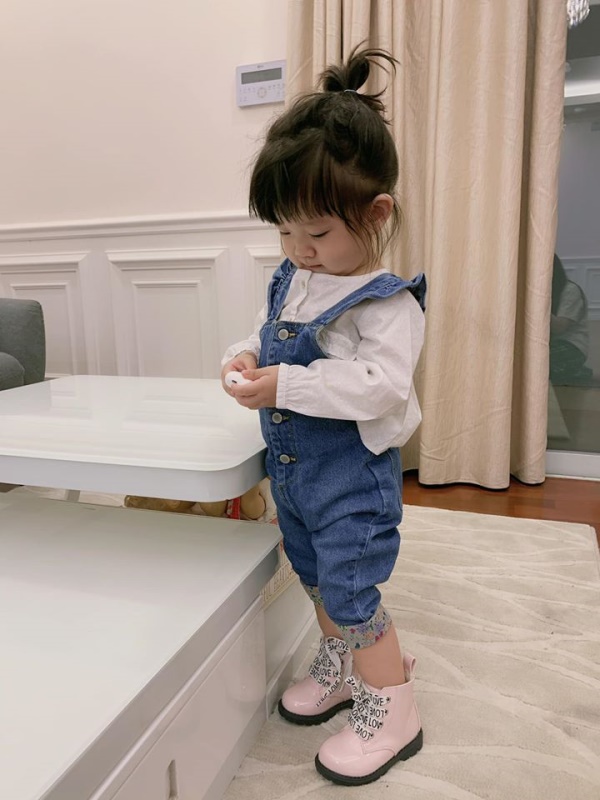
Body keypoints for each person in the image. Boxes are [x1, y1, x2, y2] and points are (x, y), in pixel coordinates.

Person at [221, 46, 426, 786]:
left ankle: (394, 709)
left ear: (376, 214)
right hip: (297, 477)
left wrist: (287, 385)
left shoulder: (386, 302)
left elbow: (380, 387)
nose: (299, 252)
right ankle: (341, 665)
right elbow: (269, 331)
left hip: (351, 483)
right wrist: (245, 356)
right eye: (285, 233)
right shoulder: (297, 277)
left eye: (316, 235)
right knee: (313, 576)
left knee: (352, 590)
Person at [550, 254, 592, 385]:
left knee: (536, 362)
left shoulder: (570, 290)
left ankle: (575, 372)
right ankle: (573, 372)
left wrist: (537, 306)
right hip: (547, 345)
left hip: (571, 346)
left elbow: (560, 327)